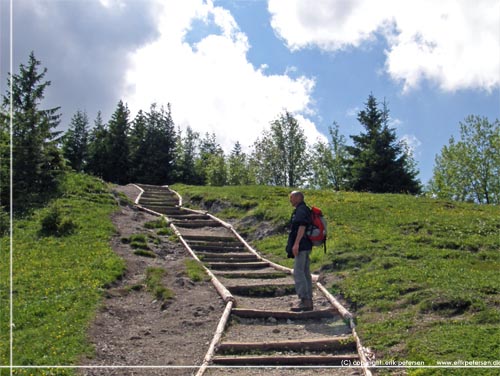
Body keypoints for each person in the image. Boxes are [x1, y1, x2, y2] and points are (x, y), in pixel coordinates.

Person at [286, 191, 313, 312]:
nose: (290, 200)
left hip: (302, 245)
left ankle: (304, 300)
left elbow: (302, 226)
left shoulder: (301, 210)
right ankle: (308, 300)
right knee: (305, 271)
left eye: (291, 197)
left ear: (298, 197)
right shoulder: (304, 209)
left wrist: (296, 244)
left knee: (298, 271)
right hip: (306, 245)